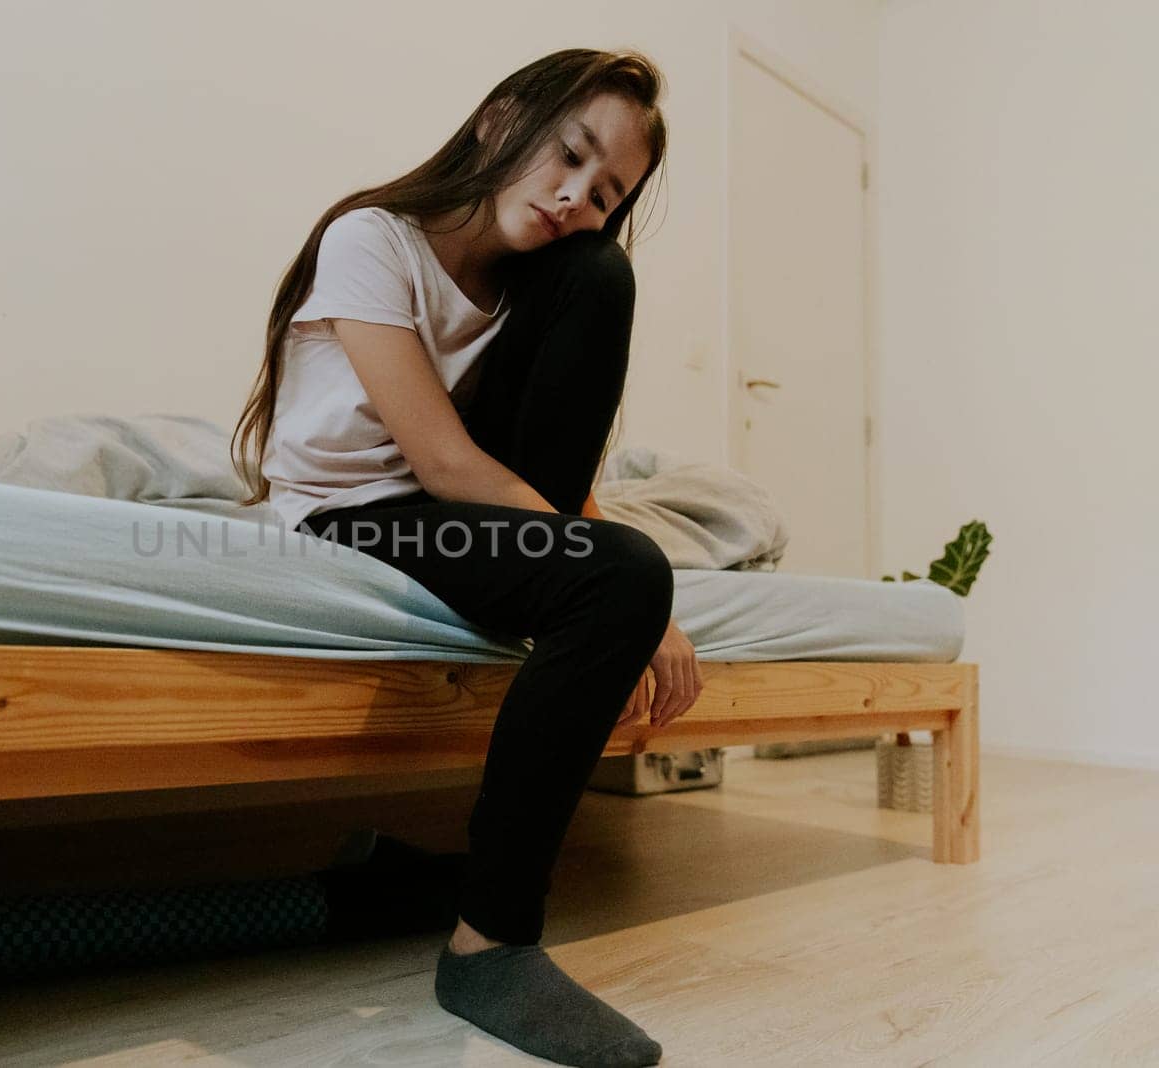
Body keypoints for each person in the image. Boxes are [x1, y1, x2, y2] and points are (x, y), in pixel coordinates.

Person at [231, 47, 702, 1068]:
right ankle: (490, 943)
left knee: (598, 284)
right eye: (569, 155)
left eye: (605, 190)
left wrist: (623, 571)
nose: (575, 196)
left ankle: (429, 884)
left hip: (450, 509)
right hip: (352, 514)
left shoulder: (547, 279)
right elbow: (448, 463)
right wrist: (626, 585)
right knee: (619, 574)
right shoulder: (372, 240)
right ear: (499, 122)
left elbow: (532, 465)